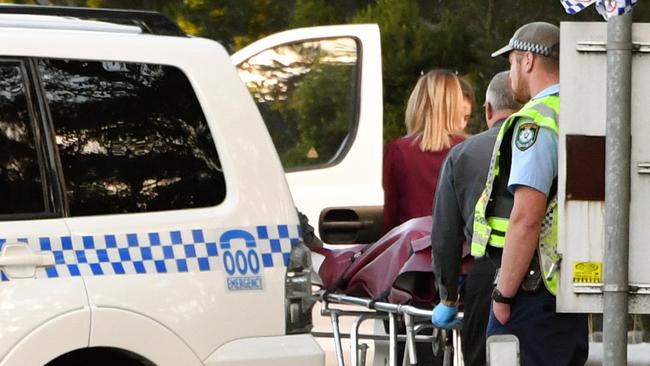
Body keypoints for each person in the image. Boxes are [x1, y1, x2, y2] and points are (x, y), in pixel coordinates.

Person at [472, 22, 588, 365]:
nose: (510, 73)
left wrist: (503, 296)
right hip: (567, 286)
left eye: (510, 63)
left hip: (531, 292)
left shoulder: (536, 120)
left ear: (528, 61)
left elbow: (526, 217)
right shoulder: (583, 110)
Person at [429, 71, 521, 366]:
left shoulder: (463, 154)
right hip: (545, 277)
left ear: (488, 110)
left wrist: (448, 297)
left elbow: (445, 235)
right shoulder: (550, 142)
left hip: (487, 276)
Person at [382, 69, 467, 234]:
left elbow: (387, 216)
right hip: (458, 252)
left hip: (410, 249)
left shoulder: (398, 151)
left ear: (417, 104)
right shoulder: (467, 150)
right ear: (456, 105)